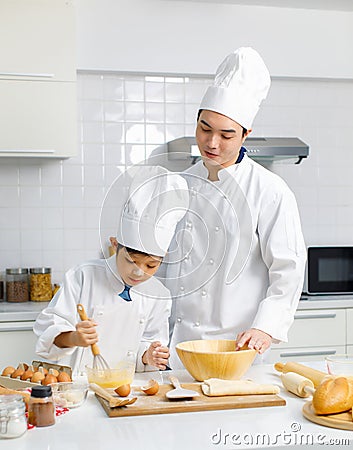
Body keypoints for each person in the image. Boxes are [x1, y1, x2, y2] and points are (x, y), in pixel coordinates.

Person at [164, 47, 307, 368]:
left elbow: (289, 269)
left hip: (238, 347)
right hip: (178, 347)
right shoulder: (180, 184)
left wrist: (265, 327)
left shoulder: (269, 190)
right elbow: (164, 265)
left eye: (226, 134)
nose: (212, 143)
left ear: (246, 134)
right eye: (204, 129)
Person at [34, 166, 188, 375]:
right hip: (79, 387)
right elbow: (48, 329)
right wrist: (74, 337)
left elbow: (147, 343)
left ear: (164, 257)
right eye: (131, 261)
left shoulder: (159, 294)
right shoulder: (84, 276)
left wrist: (148, 355)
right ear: (115, 245)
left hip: (126, 388)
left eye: (151, 265)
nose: (139, 272)